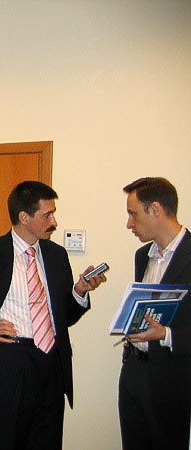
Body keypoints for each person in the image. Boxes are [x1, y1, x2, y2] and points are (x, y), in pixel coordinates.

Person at [0, 180, 106, 450]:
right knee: (8, 441)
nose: (54, 221)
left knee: (48, 443)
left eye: (53, 213)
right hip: (8, 363)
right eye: (47, 215)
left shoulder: (56, 255)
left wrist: (79, 291)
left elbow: (64, 317)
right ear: (24, 217)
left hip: (51, 363)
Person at [119, 177, 191, 450]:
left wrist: (166, 334)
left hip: (173, 379)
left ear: (156, 209)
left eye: (133, 214)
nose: (129, 224)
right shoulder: (142, 256)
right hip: (133, 372)